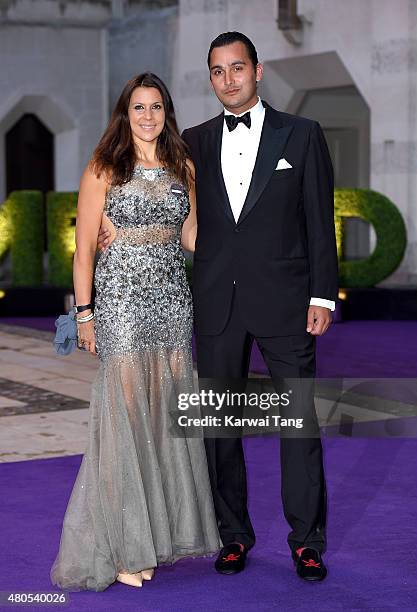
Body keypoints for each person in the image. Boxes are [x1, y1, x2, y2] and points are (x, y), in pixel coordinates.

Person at [99, 32, 338, 582]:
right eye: (217, 71)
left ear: (258, 70)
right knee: (219, 428)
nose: (227, 79)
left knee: (299, 425)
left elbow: (318, 222)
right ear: (209, 78)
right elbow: (144, 174)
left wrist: (322, 294)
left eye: (237, 68)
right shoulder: (195, 142)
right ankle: (233, 535)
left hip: (285, 302)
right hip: (214, 304)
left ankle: (307, 541)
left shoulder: (301, 135)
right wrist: (111, 221)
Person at [50, 72, 220, 592]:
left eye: (156, 107)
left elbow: (191, 234)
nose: (148, 116)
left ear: (167, 111)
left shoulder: (182, 163)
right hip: (122, 299)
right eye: (138, 107)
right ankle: (125, 545)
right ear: (125, 114)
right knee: (125, 420)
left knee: (163, 416)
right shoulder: (104, 167)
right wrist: (84, 314)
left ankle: (156, 538)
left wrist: (236, 239)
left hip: (172, 301)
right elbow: (83, 250)